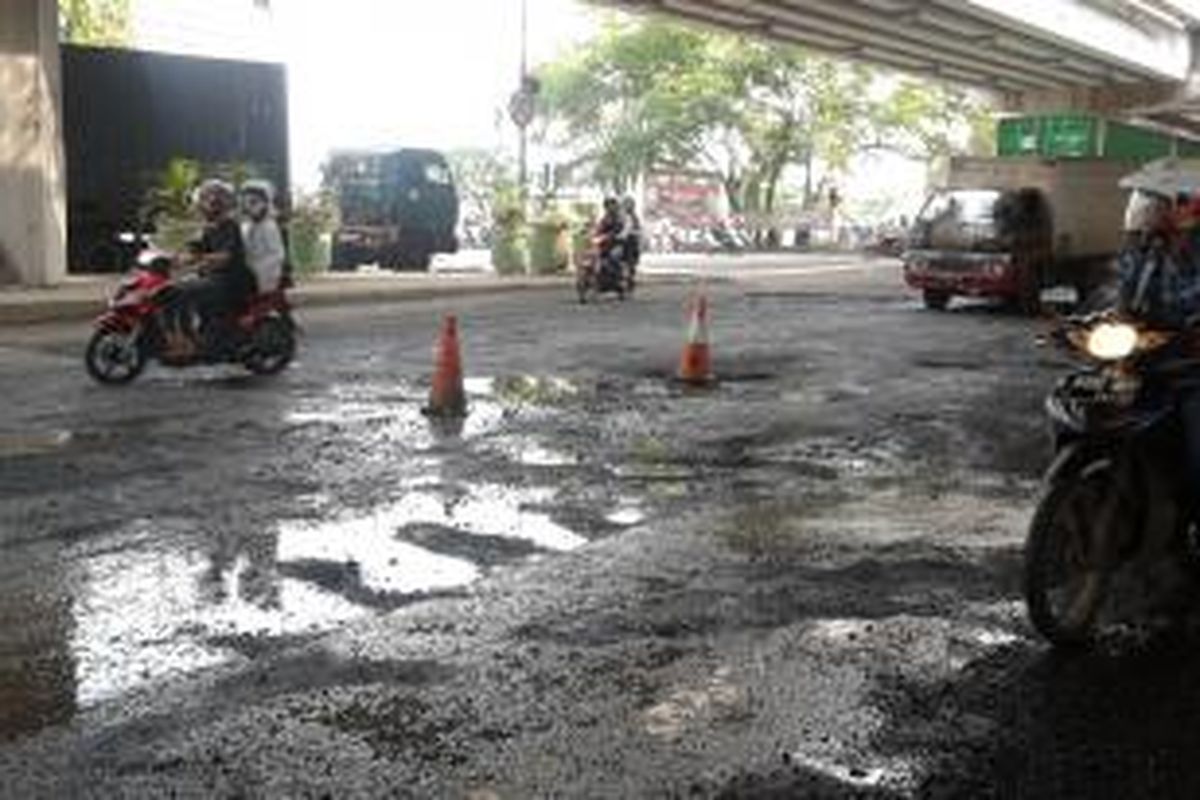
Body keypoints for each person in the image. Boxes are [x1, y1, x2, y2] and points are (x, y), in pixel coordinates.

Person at [1117, 188, 1200, 510]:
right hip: (1148, 358)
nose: (1150, 213)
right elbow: (1119, 288)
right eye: (1149, 204)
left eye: (1160, 205)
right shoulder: (1145, 251)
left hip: (1191, 367)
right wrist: (1103, 316)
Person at [164, 179, 256, 358]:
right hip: (215, 278)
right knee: (170, 289)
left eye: (210, 200)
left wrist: (199, 259)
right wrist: (173, 259)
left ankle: (188, 343)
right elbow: (197, 249)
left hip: (230, 280)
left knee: (180, 292)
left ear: (220, 203)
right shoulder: (211, 227)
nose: (206, 205)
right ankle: (192, 336)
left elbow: (226, 257)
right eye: (205, 199)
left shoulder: (230, 225)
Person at [240, 179, 286, 295]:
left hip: (264, 274)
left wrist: (257, 269)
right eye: (246, 203)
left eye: (254, 202)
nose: (249, 207)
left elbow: (277, 255)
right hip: (247, 268)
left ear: (266, 203)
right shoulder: (245, 226)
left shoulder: (269, 227)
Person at [620, 196, 642, 274]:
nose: (628, 206)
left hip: (632, 240)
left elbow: (638, 229)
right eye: (626, 204)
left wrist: (635, 233)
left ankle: (631, 267)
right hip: (621, 240)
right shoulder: (620, 216)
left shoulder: (635, 217)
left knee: (633, 251)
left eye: (630, 204)